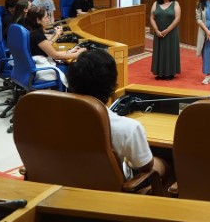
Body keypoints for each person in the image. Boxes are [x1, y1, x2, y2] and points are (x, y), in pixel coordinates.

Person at [67, 49, 171, 186]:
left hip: (67, 186)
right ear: (113, 86)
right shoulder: (128, 128)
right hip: (111, 195)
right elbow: (145, 167)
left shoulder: (52, 119)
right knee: (165, 164)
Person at [23, 6, 86, 86]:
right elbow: (55, 55)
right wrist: (77, 54)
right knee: (75, 69)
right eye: (46, 17)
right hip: (42, 70)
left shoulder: (31, 31)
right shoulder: (37, 35)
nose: (48, 19)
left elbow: (49, 50)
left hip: (33, 67)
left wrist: (69, 51)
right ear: (38, 20)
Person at [150, 0, 181, 80]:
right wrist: (156, 30)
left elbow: (177, 18)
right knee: (160, 51)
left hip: (171, 33)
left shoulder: (175, 3)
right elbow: (151, 18)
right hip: (159, 32)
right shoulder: (155, 4)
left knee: (170, 51)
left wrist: (167, 30)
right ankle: (160, 73)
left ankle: (170, 73)